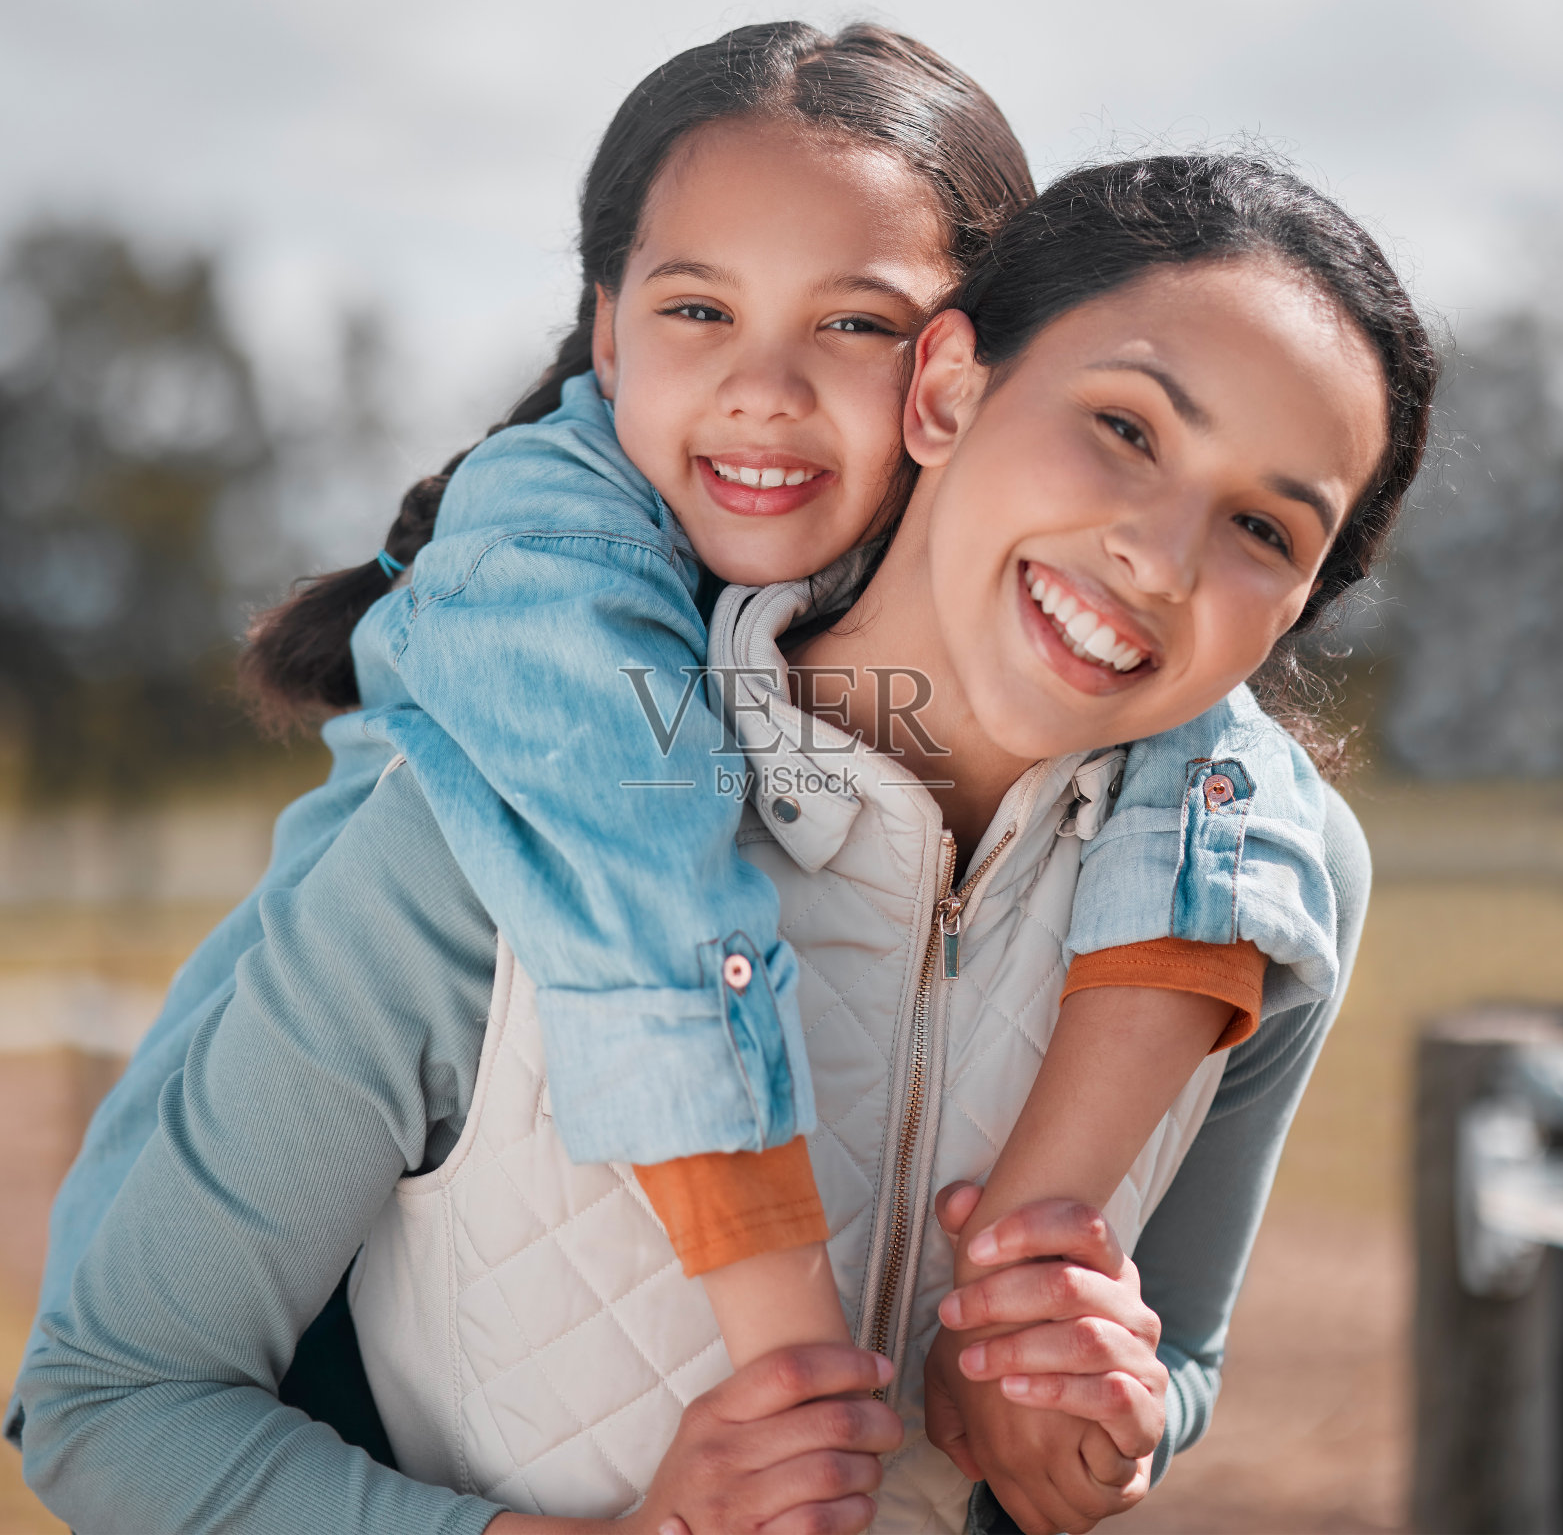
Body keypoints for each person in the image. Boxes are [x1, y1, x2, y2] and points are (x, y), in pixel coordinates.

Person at [19, 151, 1436, 1535]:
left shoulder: (1273, 902)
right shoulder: (492, 822)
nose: (1164, 554)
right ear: (945, 388)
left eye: (1262, 525)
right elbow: (115, 1406)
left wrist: (1117, 1426)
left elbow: (1175, 1360)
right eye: (1126, 428)